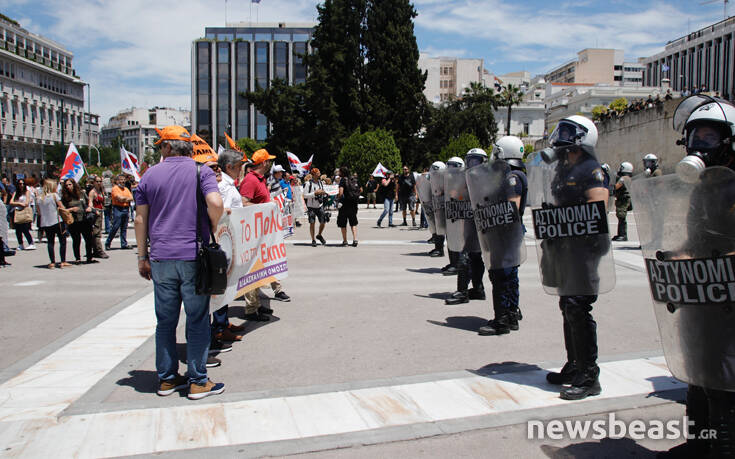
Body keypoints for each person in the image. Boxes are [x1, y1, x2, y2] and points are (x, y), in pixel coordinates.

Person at [134, 125, 225, 400]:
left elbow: (140, 220)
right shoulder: (201, 171)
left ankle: (167, 380)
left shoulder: (149, 176)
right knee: (197, 319)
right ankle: (198, 381)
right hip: (193, 255)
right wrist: (212, 224)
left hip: (161, 256)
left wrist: (142, 257)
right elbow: (216, 202)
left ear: (166, 147)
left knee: (165, 321)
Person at [539, 115, 610, 401]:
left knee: (578, 307)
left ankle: (589, 375)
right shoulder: (563, 169)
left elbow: (598, 209)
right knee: (567, 305)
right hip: (565, 248)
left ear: (584, 137)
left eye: (569, 131)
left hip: (585, 249)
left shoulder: (591, 169)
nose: (562, 136)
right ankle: (574, 365)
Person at [477, 137, 528, 335]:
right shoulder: (514, 175)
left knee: (501, 275)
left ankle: (503, 320)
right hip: (507, 233)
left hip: (506, 233)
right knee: (510, 276)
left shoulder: (512, 178)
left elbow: (511, 208)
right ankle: (511, 314)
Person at [240, 149, 291, 321]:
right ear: (263, 163)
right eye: (268, 161)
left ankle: (257, 305)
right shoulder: (250, 180)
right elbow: (244, 203)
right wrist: (266, 207)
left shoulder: (260, 179)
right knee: (253, 270)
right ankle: (251, 309)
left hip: (263, 232)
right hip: (254, 233)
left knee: (261, 269)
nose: (269, 163)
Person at [443, 155, 485, 305]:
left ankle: (462, 292)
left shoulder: (485, 180)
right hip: (469, 225)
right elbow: (454, 196)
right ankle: (478, 288)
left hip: (478, 225)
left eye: (477, 160)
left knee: (466, 258)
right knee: (474, 258)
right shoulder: (466, 179)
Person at [60, 178, 95, 264]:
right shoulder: (65, 197)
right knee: (76, 240)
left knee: (88, 239)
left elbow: (89, 201)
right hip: (73, 221)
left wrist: (90, 207)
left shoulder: (81, 193)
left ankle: (89, 257)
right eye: (66, 185)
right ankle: (77, 258)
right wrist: (71, 209)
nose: (68, 187)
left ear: (74, 185)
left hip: (84, 219)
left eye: (70, 184)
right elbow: (62, 209)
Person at [36, 178, 69, 269]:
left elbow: (39, 212)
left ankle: (52, 262)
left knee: (50, 242)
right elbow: (62, 208)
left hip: (46, 222)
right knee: (62, 241)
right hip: (57, 221)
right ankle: (63, 261)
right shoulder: (54, 196)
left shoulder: (39, 198)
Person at [105, 175, 133, 251]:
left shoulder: (126, 189)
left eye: (124, 179)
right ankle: (108, 243)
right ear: (117, 181)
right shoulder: (115, 189)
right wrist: (125, 199)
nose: (123, 181)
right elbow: (119, 198)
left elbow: (131, 198)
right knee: (115, 227)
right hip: (118, 209)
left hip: (126, 209)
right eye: (121, 180)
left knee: (124, 227)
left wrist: (124, 199)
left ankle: (124, 244)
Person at [302, 168, 328, 246]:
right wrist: (315, 193)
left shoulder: (321, 183)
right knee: (312, 223)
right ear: (313, 174)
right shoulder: (308, 184)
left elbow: (324, 192)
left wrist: (324, 193)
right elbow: (305, 195)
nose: (319, 174)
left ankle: (319, 235)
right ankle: (313, 239)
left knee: (323, 221)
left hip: (319, 205)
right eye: (318, 173)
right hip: (311, 207)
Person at [8, 178, 35, 250]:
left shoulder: (27, 192)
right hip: (17, 212)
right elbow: (11, 202)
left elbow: (26, 203)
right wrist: (19, 203)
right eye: (20, 184)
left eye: (23, 184)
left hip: (24, 212)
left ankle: (31, 243)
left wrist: (17, 204)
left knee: (25, 229)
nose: (21, 185)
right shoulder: (16, 193)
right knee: (17, 230)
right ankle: (20, 244)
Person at [337, 166, 359, 247]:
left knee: (343, 223)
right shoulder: (354, 179)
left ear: (342, 173)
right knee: (353, 222)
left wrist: (338, 197)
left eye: (339, 172)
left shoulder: (343, 180)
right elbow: (360, 190)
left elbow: (341, 193)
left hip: (344, 204)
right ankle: (355, 239)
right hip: (353, 204)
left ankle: (345, 241)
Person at [87, 177, 109, 259]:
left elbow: (103, 202)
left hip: (100, 212)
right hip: (95, 213)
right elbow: (90, 203)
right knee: (96, 233)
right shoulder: (92, 192)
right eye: (97, 181)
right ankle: (99, 251)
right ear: (94, 182)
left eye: (100, 181)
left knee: (98, 232)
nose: (99, 183)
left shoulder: (101, 191)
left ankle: (95, 250)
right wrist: (94, 210)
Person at [612, 162, 633, 241]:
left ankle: (623, 235)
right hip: (624, 199)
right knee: (621, 217)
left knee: (621, 217)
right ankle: (620, 234)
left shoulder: (623, 178)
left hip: (623, 200)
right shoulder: (628, 178)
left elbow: (616, 187)